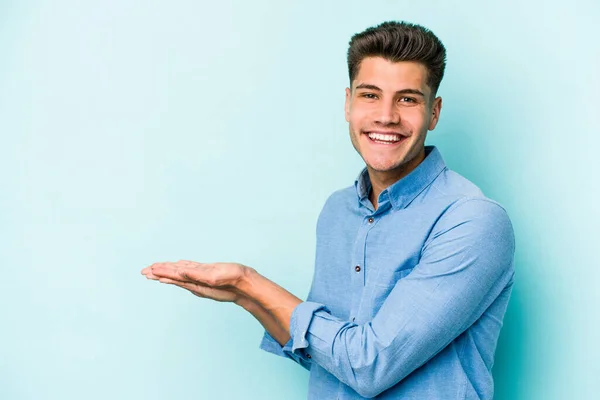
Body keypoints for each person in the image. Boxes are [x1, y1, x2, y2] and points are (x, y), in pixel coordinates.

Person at [142, 21, 515, 400]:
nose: (386, 116)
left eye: (407, 99)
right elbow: (327, 353)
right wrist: (246, 298)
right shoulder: (338, 211)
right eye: (370, 95)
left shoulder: (471, 220)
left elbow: (369, 365)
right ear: (348, 103)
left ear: (433, 113)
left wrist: (248, 283)